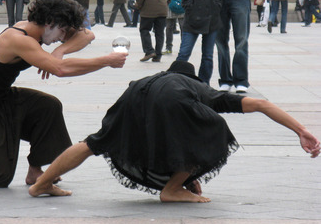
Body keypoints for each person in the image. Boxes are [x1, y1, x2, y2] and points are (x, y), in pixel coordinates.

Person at [29, 60, 321, 203]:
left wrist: (188, 177)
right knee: (211, 130)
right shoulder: (200, 89)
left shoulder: (153, 78)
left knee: (94, 143)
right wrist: (301, 130)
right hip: (171, 101)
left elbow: (162, 138)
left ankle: (41, 183)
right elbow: (260, 103)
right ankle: (171, 190)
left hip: (133, 95)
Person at [0, 0, 127, 188]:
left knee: (48, 107)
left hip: (0, 99)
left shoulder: (38, 30)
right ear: (51, 23)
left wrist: (60, 50)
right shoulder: (19, 39)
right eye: (63, 32)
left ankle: (35, 170)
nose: (63, 37)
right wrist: (106, 61)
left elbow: (87, 34)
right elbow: (60, 69)